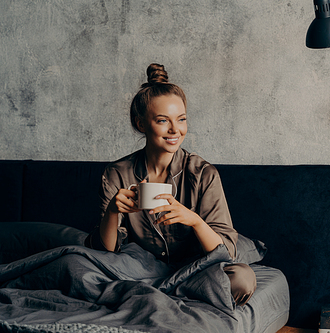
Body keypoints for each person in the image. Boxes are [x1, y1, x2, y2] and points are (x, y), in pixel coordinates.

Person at [85, 63, 256, 306]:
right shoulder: (117, 173)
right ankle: (164, 296)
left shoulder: (203, 174)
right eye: (163, 120)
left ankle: (151, 296)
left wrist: (194, 220)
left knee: (242, 279)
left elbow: (226, 249)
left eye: (182, 119)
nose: (175, 129)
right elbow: (106, 251)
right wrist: (113, 211)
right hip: (140, 268)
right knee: (77, 266)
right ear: (141, 124)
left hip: (195, 268)